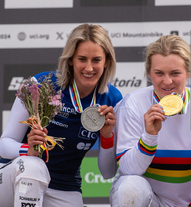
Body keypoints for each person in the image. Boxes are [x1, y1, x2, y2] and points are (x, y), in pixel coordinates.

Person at [0, 24, 122, 207]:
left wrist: (107, 136)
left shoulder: (111, 99)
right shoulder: (39, 85)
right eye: (82, 59)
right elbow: (4, 144)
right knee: (34, 166)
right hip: (15, 177)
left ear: (107, 62)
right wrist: (27, 150)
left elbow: (107, 173)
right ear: (71, 59)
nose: (89, 68)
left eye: (96, 60)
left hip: (63, 186)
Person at [109, 35, 191, 206]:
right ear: (149, 73)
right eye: (159, 73)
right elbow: (128, 171)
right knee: (130, 187)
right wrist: (149, 136)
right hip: (149, 200)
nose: (167, 81)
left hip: (190, 202)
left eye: (175, 73)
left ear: (189, 72)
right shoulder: (133, 104)